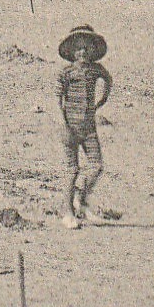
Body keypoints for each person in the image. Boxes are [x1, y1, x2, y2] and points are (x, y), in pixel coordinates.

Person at [56, 25, 113, 229]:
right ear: (71, 51)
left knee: (96, 166)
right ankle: (67, 211)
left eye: (87, 48)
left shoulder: (95, 70)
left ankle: (82, 200)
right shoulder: (66, 72)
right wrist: (63, 125)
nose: (83, 52)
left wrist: (101, 101)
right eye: (79, 49)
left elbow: (108, 80)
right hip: (70, 127)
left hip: (89, 128)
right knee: (72, 170)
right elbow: (57, 99)